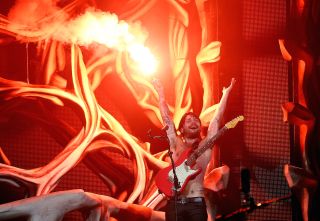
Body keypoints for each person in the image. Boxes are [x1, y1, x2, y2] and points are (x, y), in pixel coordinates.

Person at [152, 78, 236, 221]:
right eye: (188, 120)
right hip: (174, 205)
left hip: (196, 204)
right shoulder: (175, 143)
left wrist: (226, 94)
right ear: (181, 128)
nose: (193, 121)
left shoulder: (205, 145)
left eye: (196, 120)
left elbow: (215, 120)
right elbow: (166, 118)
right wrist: (161, 94)